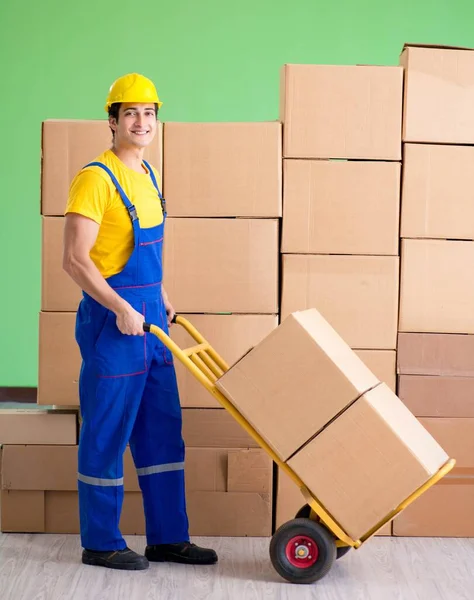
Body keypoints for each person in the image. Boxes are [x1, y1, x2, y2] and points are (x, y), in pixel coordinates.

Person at [63, 73, 218, 571]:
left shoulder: (148, 175)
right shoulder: (95, 179)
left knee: (162, 431)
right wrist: (121, 308)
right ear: (112, 121)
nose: (141, 122)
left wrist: (159, 294)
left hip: (152, 319)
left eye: (149, 113)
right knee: (107, 432)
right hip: (115, 324)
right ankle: (101, 541)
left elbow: (137, 251)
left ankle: (168, 537)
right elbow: (75, 259)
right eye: (130, 113)